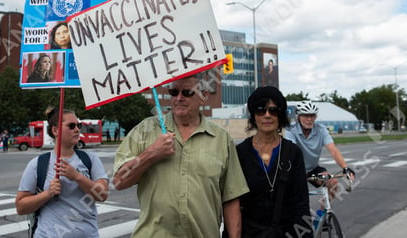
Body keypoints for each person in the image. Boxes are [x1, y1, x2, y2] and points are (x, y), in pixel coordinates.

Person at [112, 74, 249, 238]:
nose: (179, 98)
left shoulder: (221, 139)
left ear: (204, 96)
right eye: (174, 92)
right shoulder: (145, 129)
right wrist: (151, 153)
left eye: (187, 92)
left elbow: (231, 198)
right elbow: (119, 181)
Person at [15, 108, 109, 237]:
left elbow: (102, 195)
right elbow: (21, 207)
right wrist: (48, 193)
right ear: (55, 130)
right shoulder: (38, 164)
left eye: (78, 125)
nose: (77, 129)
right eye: (71, 126)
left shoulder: (90, 159)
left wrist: (77, 177)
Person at [235, 86, 312, 238]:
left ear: (281, 115)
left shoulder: (293, 153)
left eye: (273, 110)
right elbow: (233, 203)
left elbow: (301, 204)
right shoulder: (241, 153)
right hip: (250, 233)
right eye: (260, 110)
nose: (267, 115)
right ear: (253, 116)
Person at [284, 101, 355, 202]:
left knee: (333, 183)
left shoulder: (321, 129)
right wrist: (298, 173)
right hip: (295, 168)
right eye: (305, 115)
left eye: (312, 116)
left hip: (313, 169)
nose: (309, 119)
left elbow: (333, 150)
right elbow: (292, 151)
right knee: (297, 198)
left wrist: (345, 168)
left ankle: (322, 213)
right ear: (298, 116)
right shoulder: (290, 129)